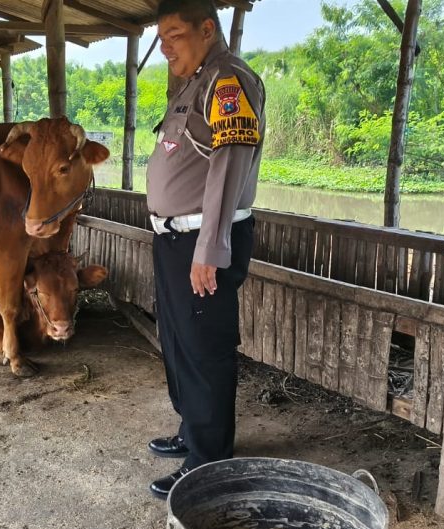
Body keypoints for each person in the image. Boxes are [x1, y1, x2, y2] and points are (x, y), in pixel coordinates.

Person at [144, 0, 265, 499]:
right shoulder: (194, 83)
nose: (164, 46)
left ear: (207, 29)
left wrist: (209, 249)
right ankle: (193, 431)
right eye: (161, 36)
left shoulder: (228, 81)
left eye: (174, 34)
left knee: (203, 349)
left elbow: (229, 166)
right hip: (175, 238)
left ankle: (208, 459)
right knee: (177, 342)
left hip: (202, 240)